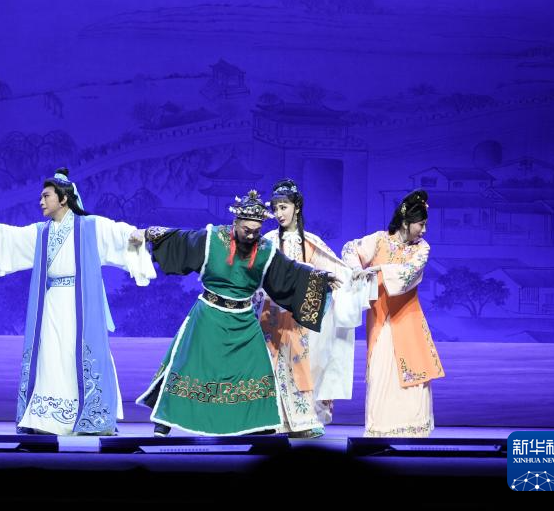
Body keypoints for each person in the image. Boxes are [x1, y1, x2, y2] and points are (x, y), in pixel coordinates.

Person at [136, 190, 338, 437]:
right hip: (208, 316)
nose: (251, 235)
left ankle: (258, 424)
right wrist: (149, 233)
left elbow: (289, 272)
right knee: (187, 365)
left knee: (257, 369)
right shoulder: (212, 238)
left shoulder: (265, 250)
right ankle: (164, 420)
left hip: (243, 320)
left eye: (256, 231)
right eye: (246, 230)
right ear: (236, 223)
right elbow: (182, 240)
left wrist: (320, 278)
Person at [0, 167, 155, 436]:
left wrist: (135, 235)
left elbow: (116, 232)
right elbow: (17, 238)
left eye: (46, 196)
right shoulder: (42, 231)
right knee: (49, 354)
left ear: (63, 199)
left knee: (77, 354)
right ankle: (46, 418)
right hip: (51, 303)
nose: (41, 201)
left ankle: (89, 416)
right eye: (41, 196)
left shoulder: (89, 226)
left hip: (79, 302)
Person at [258, 179, 356, 437]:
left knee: (303, 367)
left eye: (284, 207)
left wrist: (349, 278)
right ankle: (271, 421)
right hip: (271, 317)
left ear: (297, 207)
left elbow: (337, 272)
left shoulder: (311, 242)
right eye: (275, 208)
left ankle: (303, 420)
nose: (279, 213)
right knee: (269, 367)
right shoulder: (268, 242)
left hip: (299, 319)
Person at [342, 189, 442, 438]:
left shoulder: (422, 249)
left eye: (425, 225)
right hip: (381, 318)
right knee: (381, 371)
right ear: (406, 222)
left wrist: (378, 270)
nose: (424, 230)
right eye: (421, 224)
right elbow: (350, 250)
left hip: (407, 317)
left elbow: (408, 275)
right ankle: (380, 430)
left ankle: (413, 429)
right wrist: (357, 270)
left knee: (412, 373)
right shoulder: (378, 240)